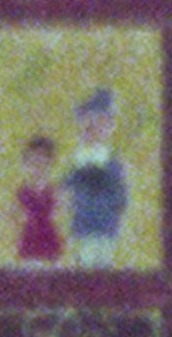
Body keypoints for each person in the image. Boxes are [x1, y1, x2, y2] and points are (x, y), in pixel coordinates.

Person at [59, 88, 130, 265]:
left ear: (109, 127)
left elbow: (121, 196)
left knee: (103, 263)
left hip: (105, 225)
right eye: (87, 122)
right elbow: (66, 185)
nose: (91, 127)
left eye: (99, 122)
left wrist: (108, 206)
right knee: (85, 263)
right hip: (83, 223)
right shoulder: (78, 159)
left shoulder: (111, 162)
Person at [10, 134, 64, 267]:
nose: (38, 166)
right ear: (25, 164)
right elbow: (14, 216)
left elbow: (61, 215)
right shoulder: (22, 192)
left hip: (50, 241)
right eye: (33, 161)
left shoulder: (54, 191)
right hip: (29, 242)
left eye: (43, 161)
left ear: (51, 163)